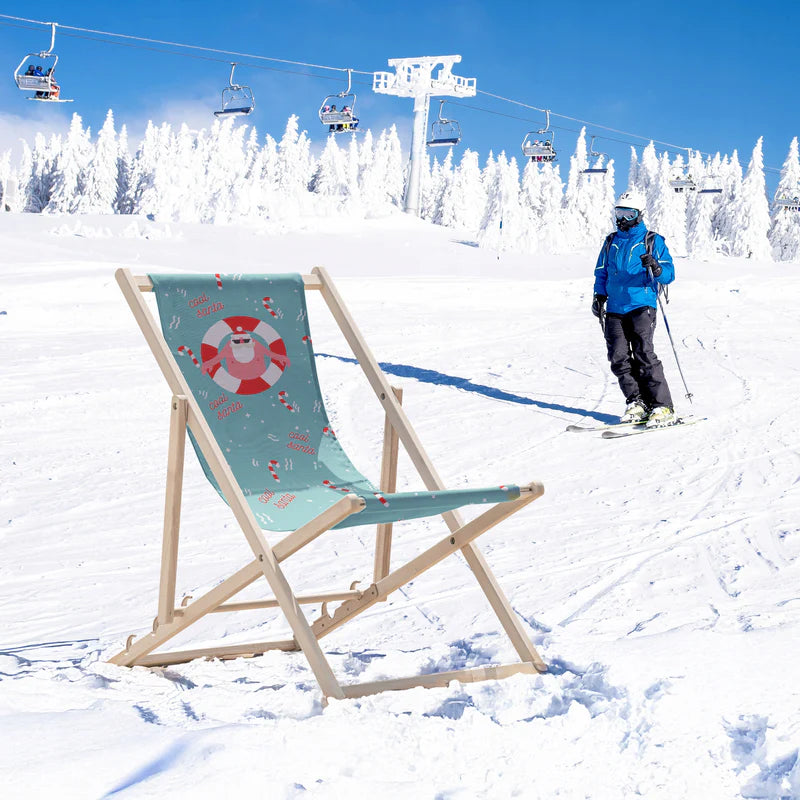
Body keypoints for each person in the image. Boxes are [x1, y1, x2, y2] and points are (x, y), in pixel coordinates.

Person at [591, 189, 676, 428]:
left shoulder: (652, 240)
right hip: (615, 307)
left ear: (638, 215)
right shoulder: (611, 241)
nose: (622, 219)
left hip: (641, 304)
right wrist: (599, 296)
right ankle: (637, 402)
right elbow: (602, 272)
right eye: (619, 212)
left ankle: (662, 406)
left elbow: (669, 274)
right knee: (618, 358)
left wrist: (656, 267)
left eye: (628, 214)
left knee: (643, 354)